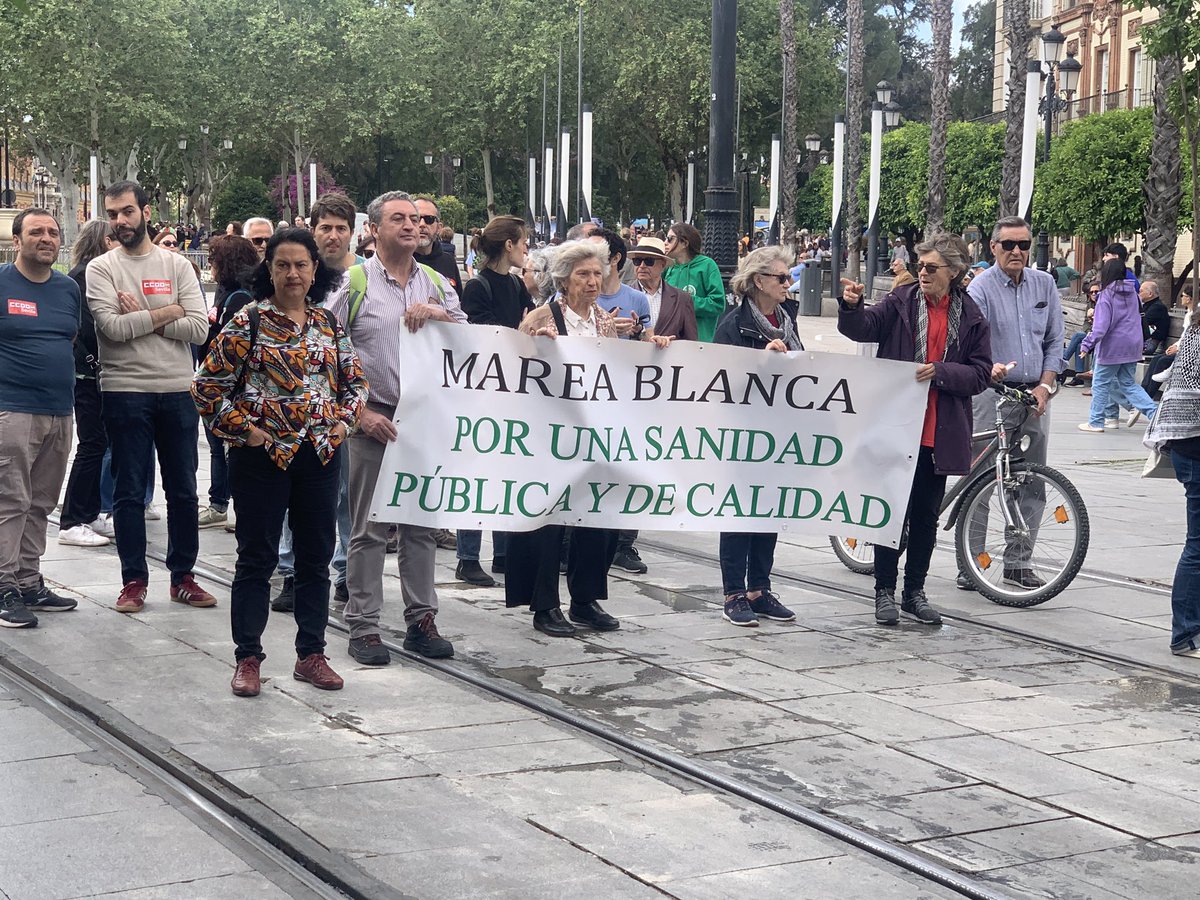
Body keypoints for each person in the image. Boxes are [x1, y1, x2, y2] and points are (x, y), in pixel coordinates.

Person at [193, 228, 367, 697]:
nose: (292, 273)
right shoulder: (247, 322)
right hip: (261, 460)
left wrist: (342, 422)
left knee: (314, 558)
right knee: (256, 559)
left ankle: (312, 653)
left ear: (316, 271)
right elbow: (206, 387)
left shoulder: (328, 325)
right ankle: (247, 658)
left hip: (319, 458)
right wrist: (246, 432)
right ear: (267, 270)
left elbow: (355, 384)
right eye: (282, 265)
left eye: (301, 265)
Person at [326, 191, 467, 666]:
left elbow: (467, 339)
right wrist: (357, 413)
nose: (413, 226)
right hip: (374, 421)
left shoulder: (435, 281)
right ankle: (363, 626)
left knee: (421, 526)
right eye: (400, 219)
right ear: (375, 229)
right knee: (369, 528)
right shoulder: (354, 282)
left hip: (424, 424)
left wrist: (438, 313)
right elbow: (323, 350)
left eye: (417, 220)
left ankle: (421, 621)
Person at [508, 241, 670, 637]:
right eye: (583, 274)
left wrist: (653, 347)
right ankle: (544, 604)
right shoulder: (543, 316)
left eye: (597, 273)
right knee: (547, 522)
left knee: (597, 517)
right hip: (550, 438)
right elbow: (513, 371)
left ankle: (585, 599)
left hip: (595, 436)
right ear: (563, 280)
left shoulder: (602, 320)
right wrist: (535, 347)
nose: (593, 281)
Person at [840, 235, 992, 626]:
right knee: (890, 513)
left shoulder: (972, 315)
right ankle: (884, 593)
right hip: (897, 426)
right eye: (920, 266)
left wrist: (940, 372)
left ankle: (915, 592)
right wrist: (852, 306)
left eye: (931, 267)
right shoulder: (901, 301)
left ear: (954, 273)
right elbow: (864, 328)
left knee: (925, 516)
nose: (921, 273)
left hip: (938, 432)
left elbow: (979, 374)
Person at [87, 180, 215, 613]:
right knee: (128, 490)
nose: (120, 220)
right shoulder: (101, 269)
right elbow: (112, 329)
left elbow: (200, 330)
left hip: (178, 390)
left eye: (127, 211)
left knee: (183, 491)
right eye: (113, 213)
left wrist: (142, 315)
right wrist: (169, 311)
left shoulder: (177, 266)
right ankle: (133, 580)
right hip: (124, 391)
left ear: (145, 211)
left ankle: (184, 577)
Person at [961, 217, 1063, 592]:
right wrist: (991, 369)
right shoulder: (981, 288)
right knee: (982, 480)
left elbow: (1055, 341)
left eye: (1024, 245)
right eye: (1009, 245)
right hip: (991, 391)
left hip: (1034, 394)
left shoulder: (1045, 284)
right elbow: (972, 343)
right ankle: (971, 561)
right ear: (993, 248)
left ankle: (1019, 564)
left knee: (1032, 479)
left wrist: (1045, 387)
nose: (1017, 252)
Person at [710, 247, 803, 628]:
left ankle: (759, 590)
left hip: (779, 433)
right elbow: (719, 379)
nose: (788, 283)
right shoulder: (732, 325)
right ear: (758, 282)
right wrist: (760, 360)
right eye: (782, 277)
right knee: (738, 513)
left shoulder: (788, 320)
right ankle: (734, 593)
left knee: (769, 509)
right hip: (743, 433)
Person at [0, 208, 81, 627]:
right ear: (18, 240)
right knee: (10, 500)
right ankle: (3, 585)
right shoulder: (1, 283)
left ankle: (29, 580)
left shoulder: (67, 289)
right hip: (11, 409)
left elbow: (69, 338)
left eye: (52, 232)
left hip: (58, 410)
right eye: (36, 232)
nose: (46, 238)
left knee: (42, 500)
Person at [454, 215, 534, 587]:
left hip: (512, 391)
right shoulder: (479, 287)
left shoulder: (517, 284)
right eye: (523, 243)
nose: (526, 249)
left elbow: (530, 322)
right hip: (484, 394)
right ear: (508, 245)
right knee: (479, 473)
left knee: (506, 474)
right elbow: (481, 338)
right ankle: (468, 556)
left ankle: (503, 552)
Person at [1143, 309, 1200, 657]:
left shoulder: (1194, 328)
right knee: (1198, 545)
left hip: (1186, 445)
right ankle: (1185, 632)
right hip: (1194, 447)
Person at [58, 220, 117, 548]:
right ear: (104, 241)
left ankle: (89, 510)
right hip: (88, 374)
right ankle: (72, 519)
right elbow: (86, 327)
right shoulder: (84, 276)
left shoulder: (90, 274)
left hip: (93, 372)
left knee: (100, 443)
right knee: (93, 444)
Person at [196, 235, 261, 530]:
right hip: (218, 385)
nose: (210, 264)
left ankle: (232, 505)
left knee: (228, 448)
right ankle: (220, 502)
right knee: (218, 447)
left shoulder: (240, 299)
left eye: (214, 259)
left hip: (231, 389)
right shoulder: (227, 293)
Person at [1077, 259, 1158, 432]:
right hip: (1133, 344)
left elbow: (1100, 327)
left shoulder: (1106, 296)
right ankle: (1156, 414)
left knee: (1100, 383)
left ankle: (1096, 421)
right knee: (1128, 383)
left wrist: (1087, 345)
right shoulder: (1134, 294)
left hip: (1112, 346)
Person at [664, 223, 726, 342]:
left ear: (684, 243)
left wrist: (685, 301)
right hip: (669, 341)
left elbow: (717, 304)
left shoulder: (707, 265)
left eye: (670, 239)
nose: (665, 242)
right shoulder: (668, 267)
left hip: (698, 342)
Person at [589, 228, 647, 340]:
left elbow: (648, 338)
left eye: (596, 252)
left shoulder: (638, 298)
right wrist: (604, 328)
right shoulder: (571, 296)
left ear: (615, 258)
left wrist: (638, 332)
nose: (586, 258)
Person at [1145, 287, 1194, 399]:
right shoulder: (1188, 314)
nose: (1181, 298)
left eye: (1183, 296)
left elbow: (1193, 337)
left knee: (1163, 361)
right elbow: (1184, 336)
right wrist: (1175, 345)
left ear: (1189, 298)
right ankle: (1143, 392)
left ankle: (1148, 395)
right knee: (1156, 359)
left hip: (1189, 351)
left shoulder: (1195, 315)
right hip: (1181, 347)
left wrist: (1178, 348)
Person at [414, 197, 464, 298]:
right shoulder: (397, 262)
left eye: (429, 219)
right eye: (416, 219)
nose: (422, 224)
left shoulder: (448, 261)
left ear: (439, 228)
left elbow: (459, 304)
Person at [1061, 282, 1097, 387]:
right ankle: (1078, 375)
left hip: (1100, 336)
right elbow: (1086, 323)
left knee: (1078, 336)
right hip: (1090, 333)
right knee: (1079, 343)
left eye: (1096, 292)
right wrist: (1088, 330)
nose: (1094, 294)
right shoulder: (1090, 305)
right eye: (1092, 292)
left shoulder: (1103, 304)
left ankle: (1063, 361)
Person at [1140, 280, 1171, 357]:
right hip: (1145, 340)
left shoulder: (1157, 307)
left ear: (1150, 294)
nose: (1138, 294)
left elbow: (1141, 322)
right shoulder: (1147, 305)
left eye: (1140, 291)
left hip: (1152, 343)